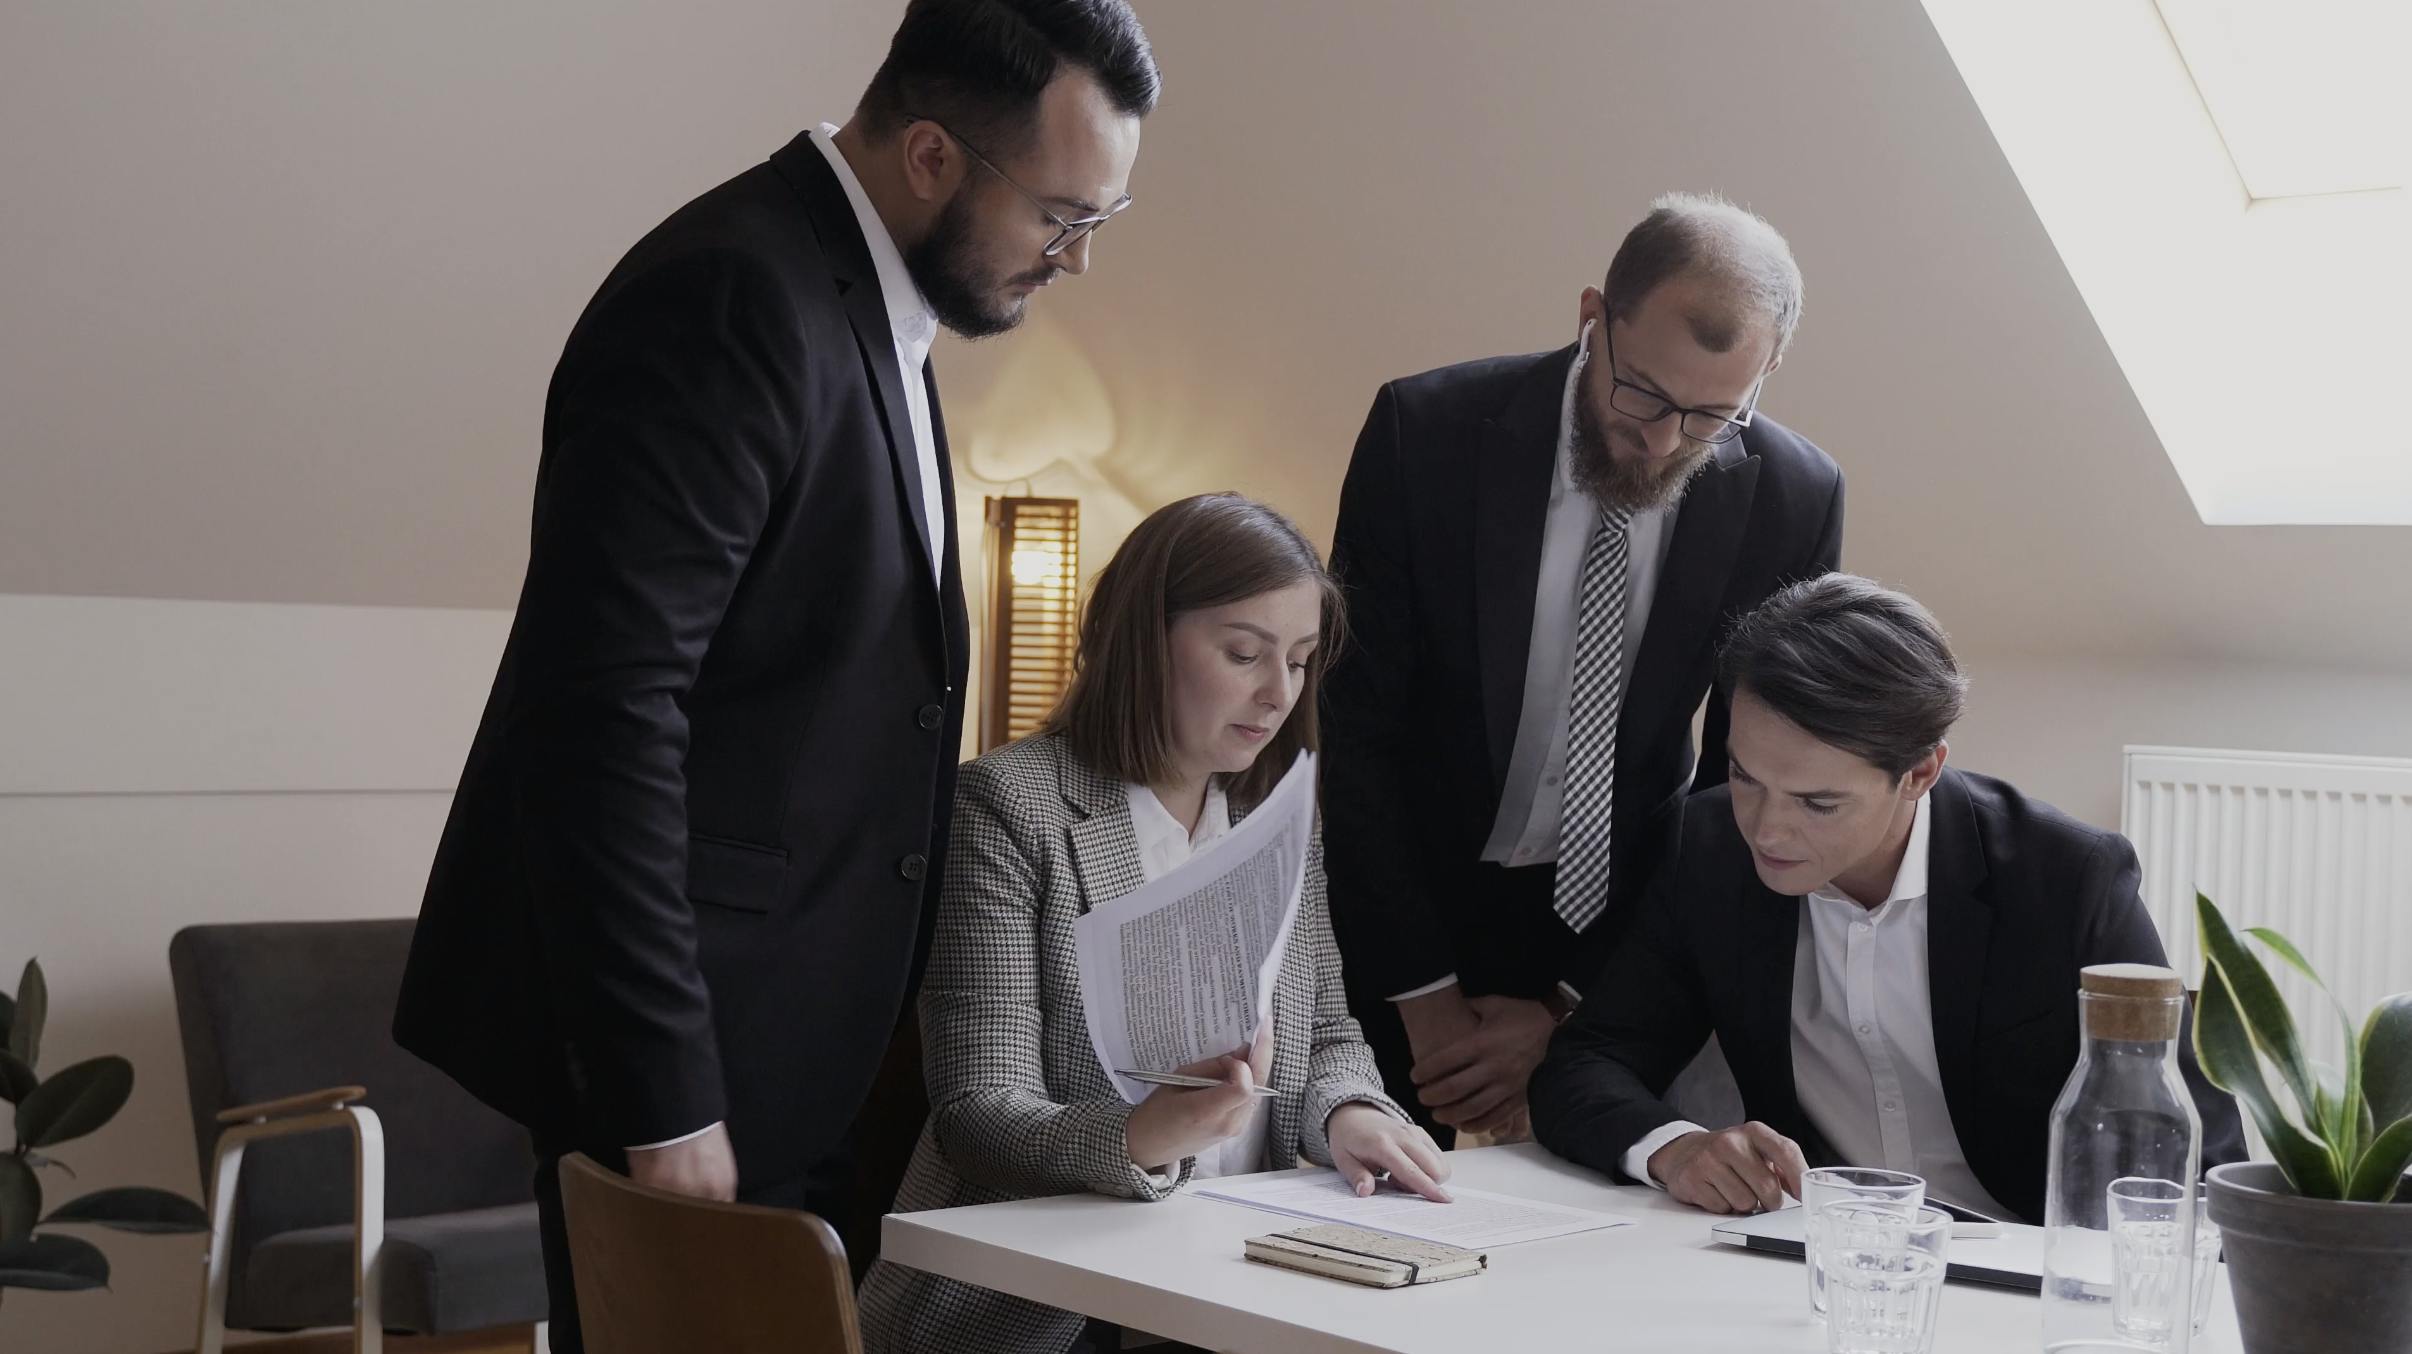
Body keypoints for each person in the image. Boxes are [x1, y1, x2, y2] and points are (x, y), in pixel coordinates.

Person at [391, 2, 1158, 1345]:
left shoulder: (866, 303)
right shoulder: (733, 293)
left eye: (1100, 221)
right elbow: (603, 712)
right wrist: (667, 1097)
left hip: (798, 1060)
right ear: (931, 155)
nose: (1077, 259)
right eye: (1060, 217)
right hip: (694, 1069)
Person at [858, 493, 1447, 1354]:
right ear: (1143, 639)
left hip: (1240, 1280)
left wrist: (1349, 1114)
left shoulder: (1278, 819)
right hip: (1044, 1310)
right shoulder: (1010, 806)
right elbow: (977, 1113)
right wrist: (1143, 1136)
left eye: (1300, 660)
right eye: (1244, 654)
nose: (1279, 693)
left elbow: (1327, 1033)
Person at [1321, 193, 1845, 1145]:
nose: (1664, 440)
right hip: (1402, 904)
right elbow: (1356, 731)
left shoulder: (1794, 497)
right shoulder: (1426, 433)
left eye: (1713, 414)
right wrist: (1424, 997)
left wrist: (1574, 1004)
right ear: (1593, 318)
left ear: (1767, 371)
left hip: (1622, 923)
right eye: (1641, 392)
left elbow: (1736, 786)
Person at [1528, 574, 2248, 1223]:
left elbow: (2197, 1154)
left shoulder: (2065, 878)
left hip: (2023, 1256)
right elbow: (1586, 1062)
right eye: (1746, 778)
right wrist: (1675, 1147)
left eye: (1817, 802)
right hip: (1814, 1252)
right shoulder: (1708, 849)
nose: (1765, 829)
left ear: (1921, 772)